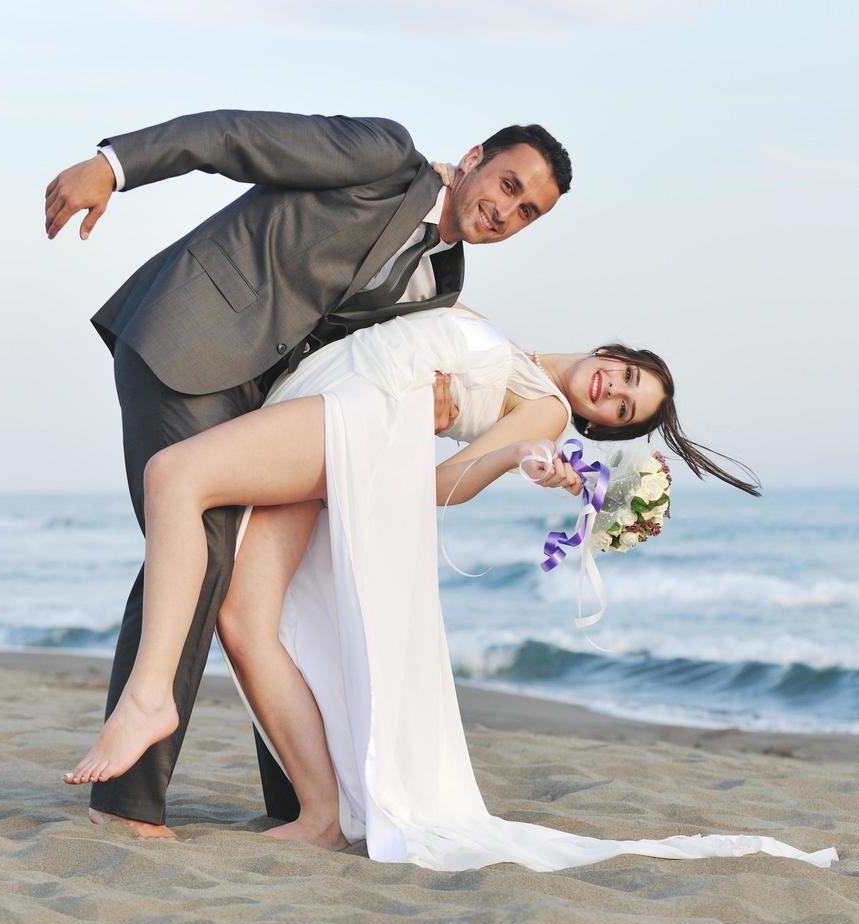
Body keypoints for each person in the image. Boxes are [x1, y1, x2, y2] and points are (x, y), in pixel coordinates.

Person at [64, 306, 838, 873]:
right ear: (613, 349)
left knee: (176, 475)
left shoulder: (546, 407)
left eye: (620, 410)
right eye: (626, 376)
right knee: (244, 618)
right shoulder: (525, 363)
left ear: (599, 429)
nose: (610, 392)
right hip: (330, 405)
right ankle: (323, 814)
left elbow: (441, 485)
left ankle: (150, 696)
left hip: (360, 415)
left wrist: (518, 460)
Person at [44, 110, 572, 839]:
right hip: (188, 335)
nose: (506, 210)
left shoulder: (442, 279)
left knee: (264, 580)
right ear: (474, 157)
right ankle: (124, 802)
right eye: (508, 185)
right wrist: (112, 165)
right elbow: (236, 137)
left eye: (527, 212)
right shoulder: (384, 156)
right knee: (204, 550)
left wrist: (434, 397)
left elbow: (362, 355)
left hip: (263, 395)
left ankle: (296, 803)